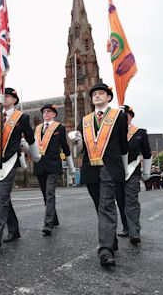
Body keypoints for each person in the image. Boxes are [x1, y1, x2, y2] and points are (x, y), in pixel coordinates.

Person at [70, 83, 128, 267]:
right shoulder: (85, 120)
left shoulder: (118, 116)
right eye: (94, 94)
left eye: (101, 93)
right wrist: (76, 142)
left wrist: (125, 170)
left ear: (109, 97)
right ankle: (112, 240)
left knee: (106, 206)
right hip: (91, 168)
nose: (97, 96)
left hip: (110, 168)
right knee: (100, 206)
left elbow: (123, 146)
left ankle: (105, 250)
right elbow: (79, 151)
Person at [0, 88, 39, 251]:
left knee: (2, 197)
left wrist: (36, 156)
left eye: (8, 96)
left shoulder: (22, 117)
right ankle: (14, 229)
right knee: (0, 196)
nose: (5, 98)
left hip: (10, 160)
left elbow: (31, 138)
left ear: (15, 100)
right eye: (3, 96)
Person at [32, 104, 75, 236]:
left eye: (49, 112)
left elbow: (65, 146)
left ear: (54, 114)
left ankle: (48, 224)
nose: (46, 114)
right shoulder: (38, 128)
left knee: (50, 193)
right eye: (44, 112)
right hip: (39, 165)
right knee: (45, 194)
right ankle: (54, 219)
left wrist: (71, 165)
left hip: (53, 164)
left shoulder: (59, 128)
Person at [115, 105, 152, 244]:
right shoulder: (113, 133)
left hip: (133, 171)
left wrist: (147, 172)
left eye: (126, 116)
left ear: (131, 116)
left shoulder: (140, 132)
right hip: (117, 171)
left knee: (131, 200)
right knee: (120, 200)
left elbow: (147, 153)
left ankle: (134, 231)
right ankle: (126, 227)